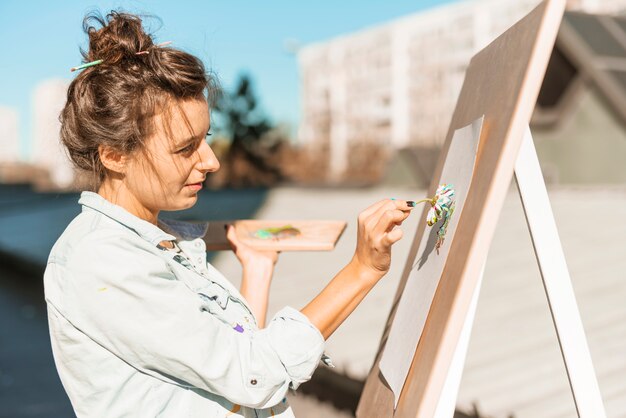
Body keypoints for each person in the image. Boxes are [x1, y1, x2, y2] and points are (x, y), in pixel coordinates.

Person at [44, 10, 415, 418]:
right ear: (115, 155)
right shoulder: (103, 260)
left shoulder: (158, 241)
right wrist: (363, 269)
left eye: (207, 139)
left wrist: (256, 271)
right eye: (186, 148)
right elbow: (252, 373)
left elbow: (225, 373)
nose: (210, 161)